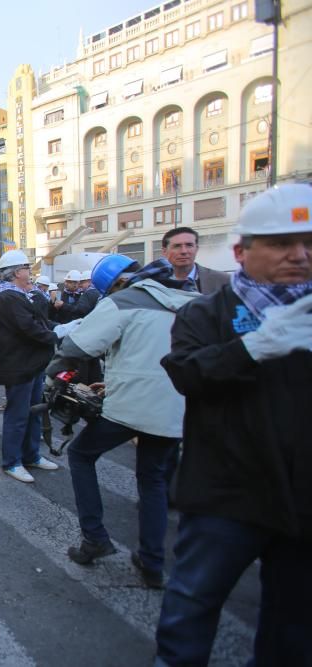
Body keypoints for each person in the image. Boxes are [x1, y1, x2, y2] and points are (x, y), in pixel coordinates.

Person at [154, 184, 312, 666]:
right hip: (226, 493)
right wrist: (251, 349)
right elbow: (186, 372)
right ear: (243, 252)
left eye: (309, 244)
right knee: (190, 609)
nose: (300, 256)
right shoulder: (207, 312)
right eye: (282, 244)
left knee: (294, 624)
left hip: (304, 499)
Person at [45, 255, 197, 587]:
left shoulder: (123, 300)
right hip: (176, 408)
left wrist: (53, 376)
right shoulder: (194, 299)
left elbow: (77, 344)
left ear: (114, 284)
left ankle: (94, 538)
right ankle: (153, 563)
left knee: (81, 454)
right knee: (153, 480)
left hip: (131, 406)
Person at [0, 249, 60, 483]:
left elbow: (41, 318)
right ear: (17, 272)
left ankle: (31, 455)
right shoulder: (7, 297)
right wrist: (56, 334)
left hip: (32, 363)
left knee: (34, 414)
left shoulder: (22, 294)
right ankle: (12, 461)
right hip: (18, 365)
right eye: (27, 269)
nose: (30, 273)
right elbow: (29, 327)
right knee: (18, 415)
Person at [160, 226, 231, 295]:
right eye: (177, 246)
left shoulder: (224, 281)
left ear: (196, 249)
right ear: (164, 251)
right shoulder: (153, 283)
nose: (184, 251)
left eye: (189, 245)